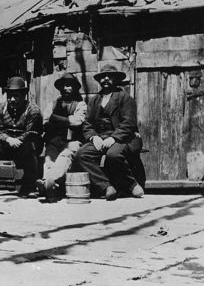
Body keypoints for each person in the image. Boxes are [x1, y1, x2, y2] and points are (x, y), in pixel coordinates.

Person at [74, 64, 146, 200]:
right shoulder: (94, 100)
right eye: (102, 77)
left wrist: (113, 138)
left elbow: (128, 123)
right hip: (100, 138)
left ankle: (132, 184)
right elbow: (87, 124)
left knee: (113, 155)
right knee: (81, 155)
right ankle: (106, 186)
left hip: (123, 138)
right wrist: (93, 137)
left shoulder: (125, 98)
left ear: (116, 79)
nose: (106, 79)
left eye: (110, 76)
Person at [0, 76, 43, 199]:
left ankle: (29, 187)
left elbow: (32, 132)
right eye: (9, 96)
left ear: (24, 95)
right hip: (7, 145)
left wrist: (18, 140)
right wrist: (8, 139)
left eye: (16, 96)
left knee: (30, 147)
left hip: (26, 146)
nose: (12, 99)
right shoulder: (1, 109)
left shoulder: (33, 110)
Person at [37, 72, 87, 203]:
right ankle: (48, 184)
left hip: (72, 141)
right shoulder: (53, 104)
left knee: (64, 157)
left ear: (75, 88)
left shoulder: (80, 104)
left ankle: (49, 182)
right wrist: (65, 121)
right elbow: (45, 121)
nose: (65, 88)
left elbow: (77, 122)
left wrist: (55, 119)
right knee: (49, 160)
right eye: (63, 86)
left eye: (69, 85)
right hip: (54, 141)